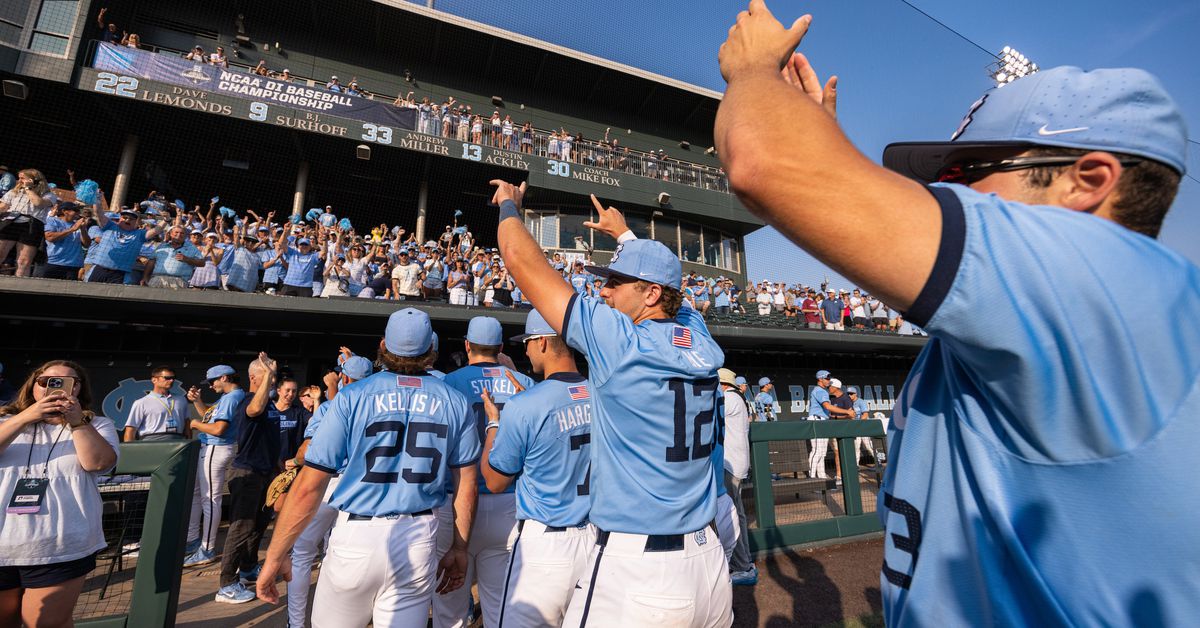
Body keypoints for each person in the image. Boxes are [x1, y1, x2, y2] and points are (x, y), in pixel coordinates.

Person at [717, 4, 1197, 622]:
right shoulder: (1052, 317)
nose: (944, 192)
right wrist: (815, 159)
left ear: (1087, 181)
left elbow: (762, 165)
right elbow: (811, 195)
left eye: (968, 171)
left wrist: (754, 71)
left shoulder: (1102, 287)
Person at [488, 183, 732, 625]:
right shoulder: (697, 335)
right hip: (709, 564)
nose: (605, 291)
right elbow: (675, 298)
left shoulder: (620, 342)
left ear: (651, 294)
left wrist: (509, 204)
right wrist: (626, 238)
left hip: (639, 568)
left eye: (616, 283)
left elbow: (519, 259)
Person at [257, 308, 482, 628]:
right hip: (418, 535)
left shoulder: (351, 396)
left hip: (357, 534)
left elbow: (308, 486)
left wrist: (275, 555)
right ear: (431, 350)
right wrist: (460, 547)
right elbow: (467, 486)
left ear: (383, 346)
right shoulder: (455, 401)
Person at [478, 309, 595, 627]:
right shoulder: (601, 395)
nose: (526, 350)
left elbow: (495, 482)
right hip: (595, 541)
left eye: (527, 342)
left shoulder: (526, 405)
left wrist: (494, 423)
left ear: (542, 342)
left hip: (545, 547)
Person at [0, 360, 119, 627]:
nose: (54, 388)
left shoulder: (97, 424)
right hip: (3, 544)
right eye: (46, 382)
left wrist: (77, 421)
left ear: (78, 389)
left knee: (44, 623)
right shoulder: (6, 420)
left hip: (59, 545)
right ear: (33, 386)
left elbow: (98, 463)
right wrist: (27, 416)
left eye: (69, 382)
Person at [435, 316, 535, 628]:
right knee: (500, 607)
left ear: (467, 345)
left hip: (457, 501)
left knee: (449, 608)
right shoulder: (523, 383)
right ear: (501, 347)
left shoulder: (448, 383)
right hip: (508, 501)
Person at [283, 354, 372, 628]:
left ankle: (296, 623)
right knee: (341, 556)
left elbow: (307, 450)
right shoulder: (376, 406)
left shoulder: (330, 406)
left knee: (302, 553)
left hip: (328, 483)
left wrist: (295, 461)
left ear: (344, 377)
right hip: (361, 488)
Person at [211, 354, 282, 604]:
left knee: (259, 525)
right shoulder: (249, 400)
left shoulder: (269, 403)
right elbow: (255, 410)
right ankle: (227, 584)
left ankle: (249, 567)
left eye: (274, 376)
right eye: (267, 376)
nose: (273, 380)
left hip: (265, 472)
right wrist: (268, 376)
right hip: (247, 473)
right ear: (253, 377)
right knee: (241, 527)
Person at [183, 365, 244, 567]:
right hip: (214, 447)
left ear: (224, 377)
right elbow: (210, 417)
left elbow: (218, 429)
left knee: (210, 499)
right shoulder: (228, 396)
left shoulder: (231, 397)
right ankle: (193, 541)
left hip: (216, 448)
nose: (211, 386)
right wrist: (197, 401)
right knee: (198, 495)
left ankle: (207, 549)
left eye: (213, 381)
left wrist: (194, 424)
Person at [718, 368, 756, 588]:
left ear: (722, 384)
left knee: (732, 516)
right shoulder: (737, 397)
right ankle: (743, 563)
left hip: (730, 464)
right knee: (736, 514)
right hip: (734, 462)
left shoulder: (730, 398)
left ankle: (743, 567)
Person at [0, 169, 57, 277]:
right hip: (11, 222)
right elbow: (3, 206)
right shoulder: (14, 191)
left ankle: (18, 285)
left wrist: (28, 188)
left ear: (33, 180)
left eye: (22, 178)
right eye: (19, 178)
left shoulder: (48, 194)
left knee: (23, 261)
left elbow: (38, 203)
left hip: (31, 225)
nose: (19, 181)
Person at [123, 366, 188, 441]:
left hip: (178, 442)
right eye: (167, 378)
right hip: (151, 443)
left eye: (173, 378)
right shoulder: (141, 402)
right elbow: (130, 431)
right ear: (154, 380)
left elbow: (187, 424)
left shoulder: (181, 399)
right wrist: (129, 448)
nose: (171, 380)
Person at [36, 202, 91, 280]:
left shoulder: (78, 225)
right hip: (53, 263)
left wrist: (83, 229)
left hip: (74, 265)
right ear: (65, 211)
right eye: (75, 210)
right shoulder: (52, 221)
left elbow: (87, 244)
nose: (78, 213)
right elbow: (50, 237)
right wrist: (72, 229)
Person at [806, 370, 836, 479]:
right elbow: (827, 406)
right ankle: (812, 477)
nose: (828, 380)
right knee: (817, 451)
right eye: (827, 378)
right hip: (816, 421)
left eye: (829, 378)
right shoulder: (819, 390)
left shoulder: (822, 391)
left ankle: (821, 476)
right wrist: (846, 411)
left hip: (822, 421)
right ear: (820, 379)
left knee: (822, 452)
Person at [846, 386, 874, 464]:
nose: (849, 395)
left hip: (863, 427)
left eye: (851, 393)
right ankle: (856, 465)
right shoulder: (848, 403)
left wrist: (858, 424)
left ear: (855, 394)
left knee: (869, 446)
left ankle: (879, 463)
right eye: (848, 394)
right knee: (856, 447)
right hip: (855, 428)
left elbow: (865, 415)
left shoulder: (861, 402)